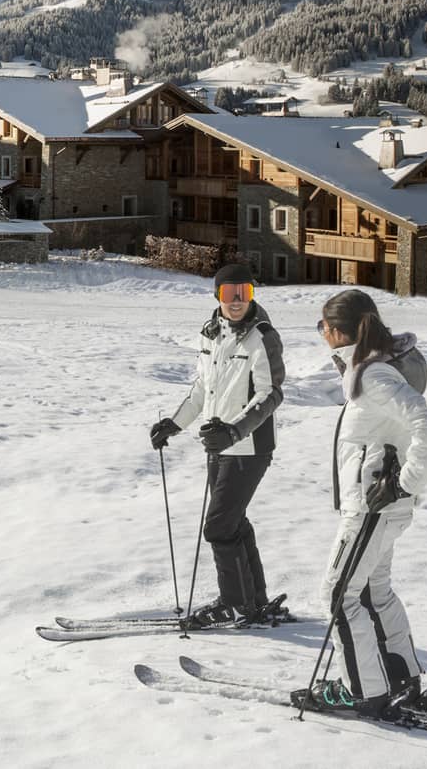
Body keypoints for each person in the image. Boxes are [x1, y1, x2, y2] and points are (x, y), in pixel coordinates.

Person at [296, 289, 427, 720]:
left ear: (337, 331)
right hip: (379, 507)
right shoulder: (373, 367)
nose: (322, 334)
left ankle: (361, 691)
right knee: (372, 591)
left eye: (323, 326)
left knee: (338, 594)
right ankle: (399, 678)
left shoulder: (375, 377)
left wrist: (403, 483)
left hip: (372, 508)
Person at [149, 263, 285, 625]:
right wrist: (174, 424)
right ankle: (253, 600)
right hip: (217, 446)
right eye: (229, 293)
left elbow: (270, 395)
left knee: (219, 526)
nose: (236, 301)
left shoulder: (262, 336)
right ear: (217, 295)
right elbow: (202, 388)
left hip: (249, 447)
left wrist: (234, 432)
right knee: (233, 522)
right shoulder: (210, 333)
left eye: (244, 293)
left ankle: (234, 603)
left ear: (252, 295)